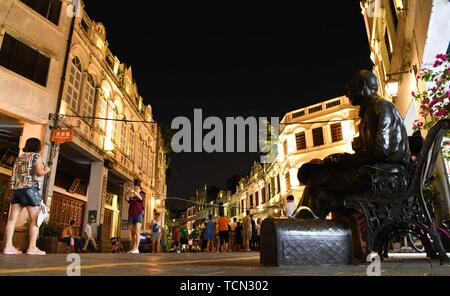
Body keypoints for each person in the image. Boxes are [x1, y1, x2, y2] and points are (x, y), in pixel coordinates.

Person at [295, 69, 410, 259]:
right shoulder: (369, 112)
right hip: (380, 173)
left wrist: (343, 160)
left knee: (317, 180)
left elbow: (381, 150)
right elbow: (375, 150)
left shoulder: (380, 107)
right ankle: (307, 240)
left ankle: (298, 235)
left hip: (386, 176)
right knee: (322, 194)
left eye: (350, 88)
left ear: (363, 87)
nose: (347, 93)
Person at [3, 138, 51, 256]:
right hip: (30, 190)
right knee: (35, 220)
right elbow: (39, 172)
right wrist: (47, 169)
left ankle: (8, 247)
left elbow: (12, 176)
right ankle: (32, 247)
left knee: (11, 220)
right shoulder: (36, 156)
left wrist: (7, 192)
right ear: (38, 146)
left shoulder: (19, 158)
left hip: (17, 190)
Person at [125, 182, 144, 254]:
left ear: (140, 190)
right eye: (135, 188)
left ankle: (137, 248)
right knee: (132, 232)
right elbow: (126, 199)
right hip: (131, 215)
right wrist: (127, 192)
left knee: (137, 231)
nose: (136, 189)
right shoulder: (132, 198)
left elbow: (139, 197)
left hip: (138, 215)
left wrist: (133, 191)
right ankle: (133, 248)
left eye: (137, 188)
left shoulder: (140, 198)